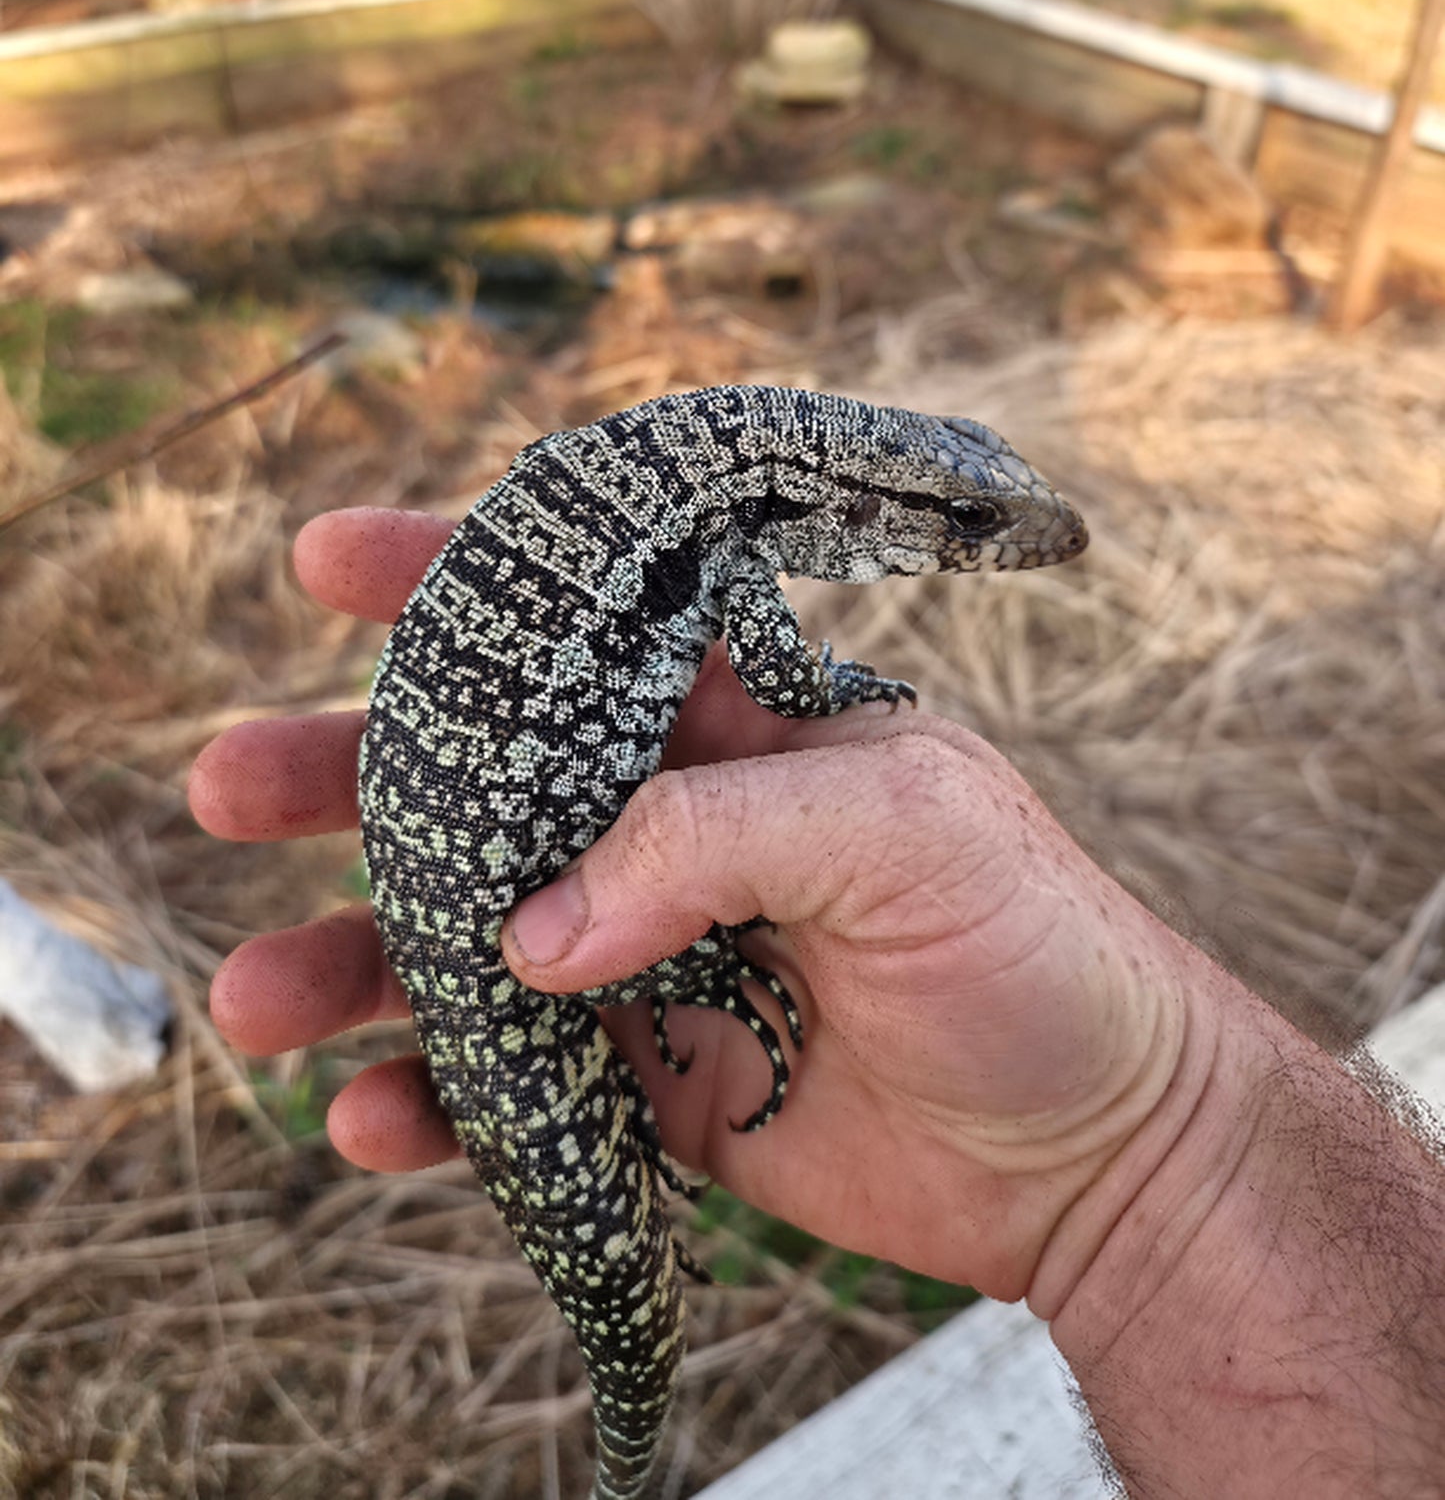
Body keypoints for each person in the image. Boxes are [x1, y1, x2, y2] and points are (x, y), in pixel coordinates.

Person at [195, 507, 1445, 1499]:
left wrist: (1144, 1159)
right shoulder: (717, 545)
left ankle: (626, 1457)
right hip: (505, 961)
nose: (1019, 543)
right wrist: (1157, 1160)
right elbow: (782, 670)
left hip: (491, 937)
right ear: (855, 507)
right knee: (620, 1317)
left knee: (619, 1317)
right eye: (966, 523)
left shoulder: (705, 525)